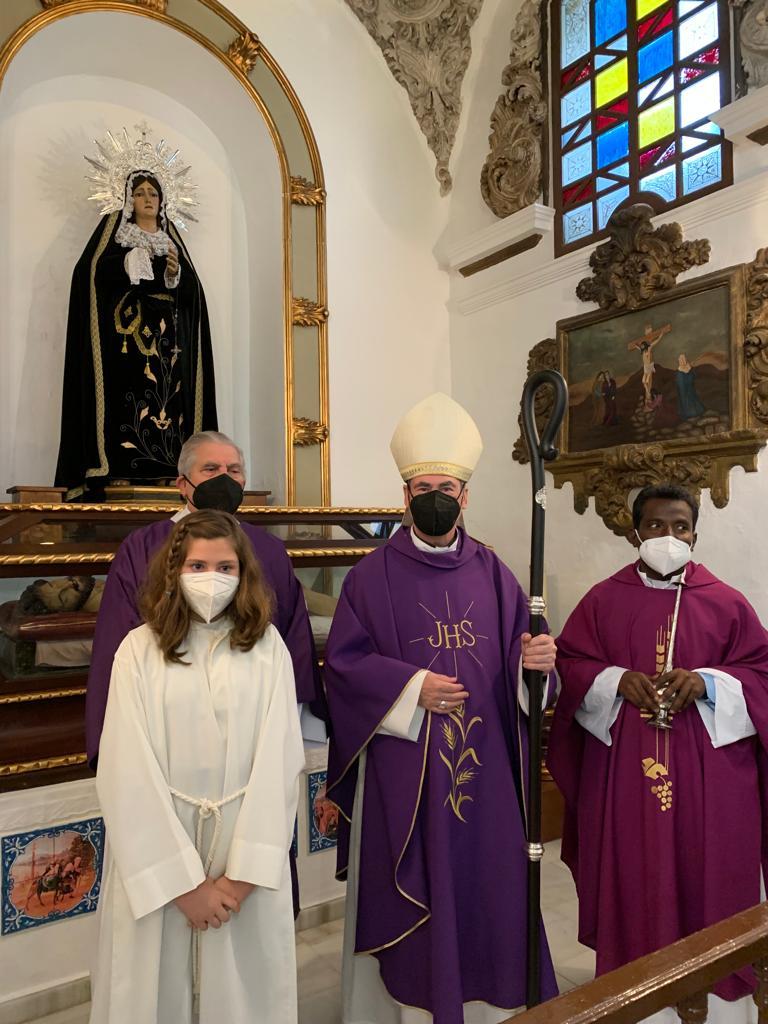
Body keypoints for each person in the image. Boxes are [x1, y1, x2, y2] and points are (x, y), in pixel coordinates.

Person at [324, 392, 558, 1024]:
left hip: (488, 778)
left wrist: (536, 667)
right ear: (404, 496)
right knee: (417, 888)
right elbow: (343, 667)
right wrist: (410, 689)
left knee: (489, 887)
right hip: (408, 777)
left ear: (465, 496)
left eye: (446, 488)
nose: (435, 497)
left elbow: (524, 665)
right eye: (423, 487)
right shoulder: (369, 577)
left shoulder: (495, 573)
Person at [549, 484, 768, 1021]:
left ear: (695, 534)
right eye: (655, 525)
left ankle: (722, 1008)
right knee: (637, 878)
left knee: (710, 878)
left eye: (680, 526)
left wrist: (709, 682)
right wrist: (614, 680)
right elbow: (568, 666)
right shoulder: (601, 601)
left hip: (712, 781)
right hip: (625, 774)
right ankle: (636, 1002)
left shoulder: (726, 602)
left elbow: (762, 674)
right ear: (634, 533)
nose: (668, 536)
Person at [90, 510, 304, 1023]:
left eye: (226, 567)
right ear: (174, 572)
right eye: (198, 566)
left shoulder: (268, 648)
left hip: (241, 852)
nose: (213, 579)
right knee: (153, 991)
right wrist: (181, 883)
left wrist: (243, 876)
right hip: (160, 856)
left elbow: (281, 761)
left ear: (244, 573)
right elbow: (124, 769)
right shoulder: (138, 651)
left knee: (244, 993)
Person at [85, 429, 321, 768]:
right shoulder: (143, 548)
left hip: (251, 717)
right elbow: (117, 637)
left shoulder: (268, 550)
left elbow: (293, 635)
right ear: (183, 484)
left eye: (234, 470)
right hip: (168, 718)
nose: (224, 478)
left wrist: (293, 724)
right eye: (211, 469)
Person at [55, 169, 217, 499]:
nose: (147, 199)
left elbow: (191, 295)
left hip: (166, 346)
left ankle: (168, 470)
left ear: (162, 201)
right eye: (140, 193)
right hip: (125, 341)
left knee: (168, 402)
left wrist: (175, 275)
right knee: (125, 398)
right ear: (129, 200)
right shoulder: (117, 239)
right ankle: (119, 470)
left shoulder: (170, 243)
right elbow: (90, 275)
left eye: (153, 194)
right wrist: (128, 263)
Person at [627, 322, 671, 405]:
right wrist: (636, 346)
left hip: (650, 366)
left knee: (647, 380)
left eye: (642, 346)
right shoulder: (643, 351)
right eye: (641, 346)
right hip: (645, 367)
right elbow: (638, 348)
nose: (642, 346)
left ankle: (649, 395)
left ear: (645, 345)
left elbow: (656, 341)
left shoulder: (649, 348)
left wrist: (661, 335)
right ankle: (648, 393)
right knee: (643, 381)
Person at [676, 353, 706, 419]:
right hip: (684, 392)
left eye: (684, 359)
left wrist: (690, 369)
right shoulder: (679, 373)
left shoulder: (689, 368)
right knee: (686, 404)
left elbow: (693, 377)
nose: (683, 361)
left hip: (691, 390)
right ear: (679, 361)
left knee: (696, 405)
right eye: (681, 360)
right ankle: (688, 414)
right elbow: (681, 386)